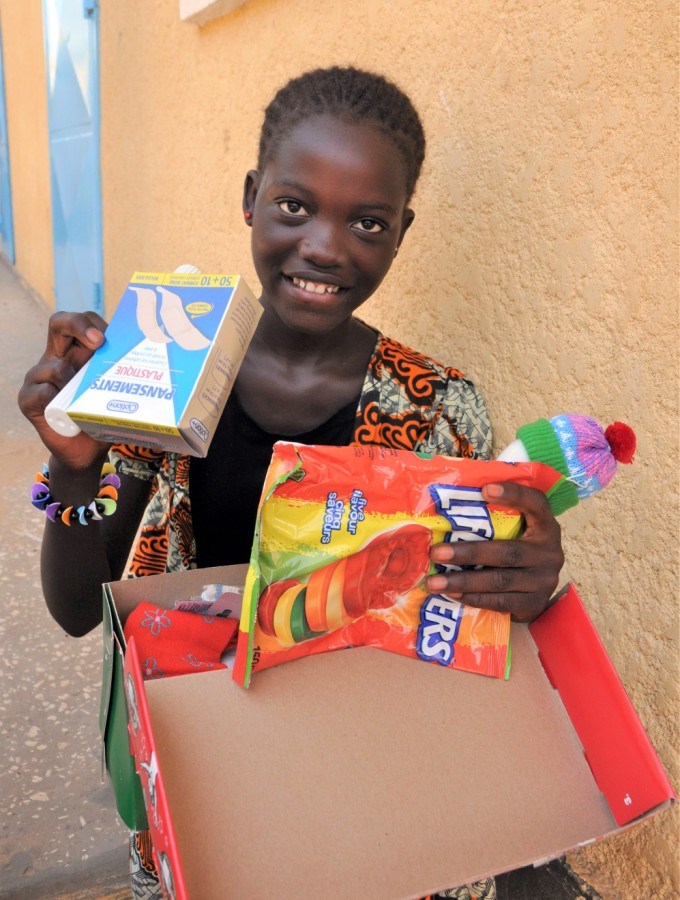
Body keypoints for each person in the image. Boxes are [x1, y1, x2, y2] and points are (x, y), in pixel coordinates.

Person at [19, 67, 583, 900]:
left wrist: (524, 591)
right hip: (199, 771)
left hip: (366, 793)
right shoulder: (167, 374)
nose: (325, 245)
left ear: (400, 232)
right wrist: (73, 472)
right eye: (294, 205)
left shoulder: (436, 408)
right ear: (251, 197)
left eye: (366, 221)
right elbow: (77, 611)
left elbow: (468, 623)